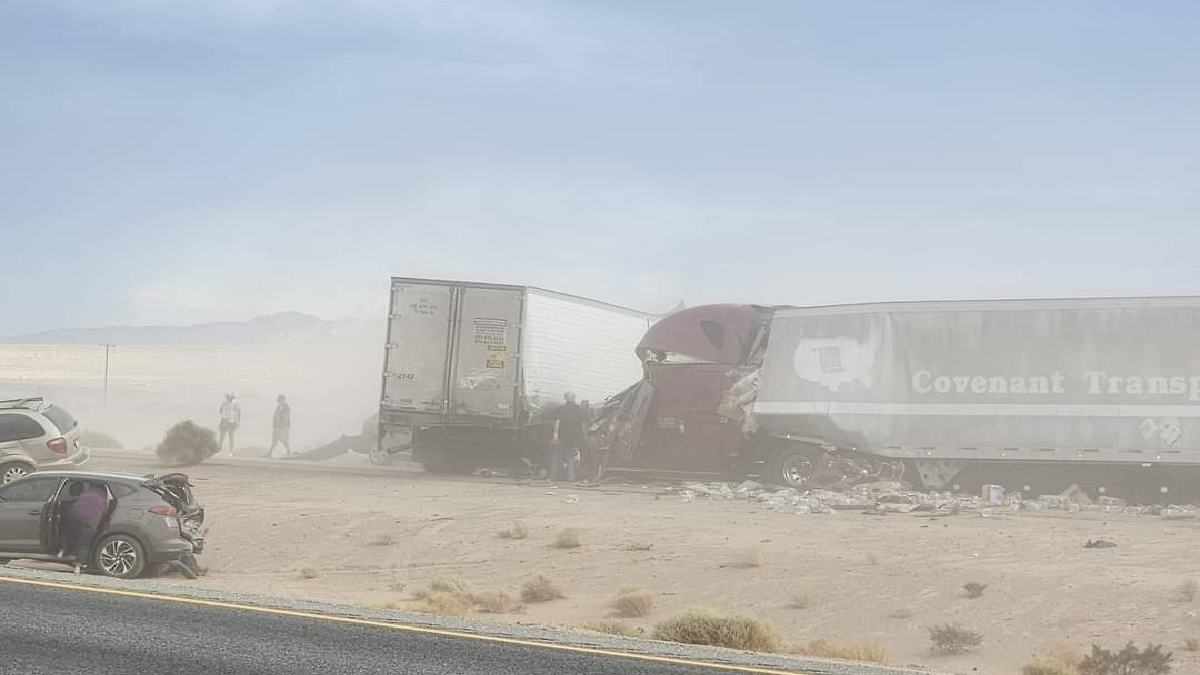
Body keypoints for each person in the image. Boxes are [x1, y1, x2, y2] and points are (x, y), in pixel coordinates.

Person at [66, 481, 107, 574]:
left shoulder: (85, 495)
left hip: (77, 519)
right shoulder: (102, 497)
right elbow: (104, 512)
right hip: (92, 522)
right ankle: (80, 565)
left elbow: (76, 507)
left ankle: (66, 552)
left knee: (78, 540)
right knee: (85, 544)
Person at [549, 392, 586, 482]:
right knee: (570, 458)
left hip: (563, 437)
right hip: (572, 438)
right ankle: (570, 478)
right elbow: (582, 424)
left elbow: (557, 423)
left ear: (565, 398)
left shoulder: (561, 409)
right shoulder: (578, 409)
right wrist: (582, 437)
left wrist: (555, 435)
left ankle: (554, 478)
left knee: (557, 457)